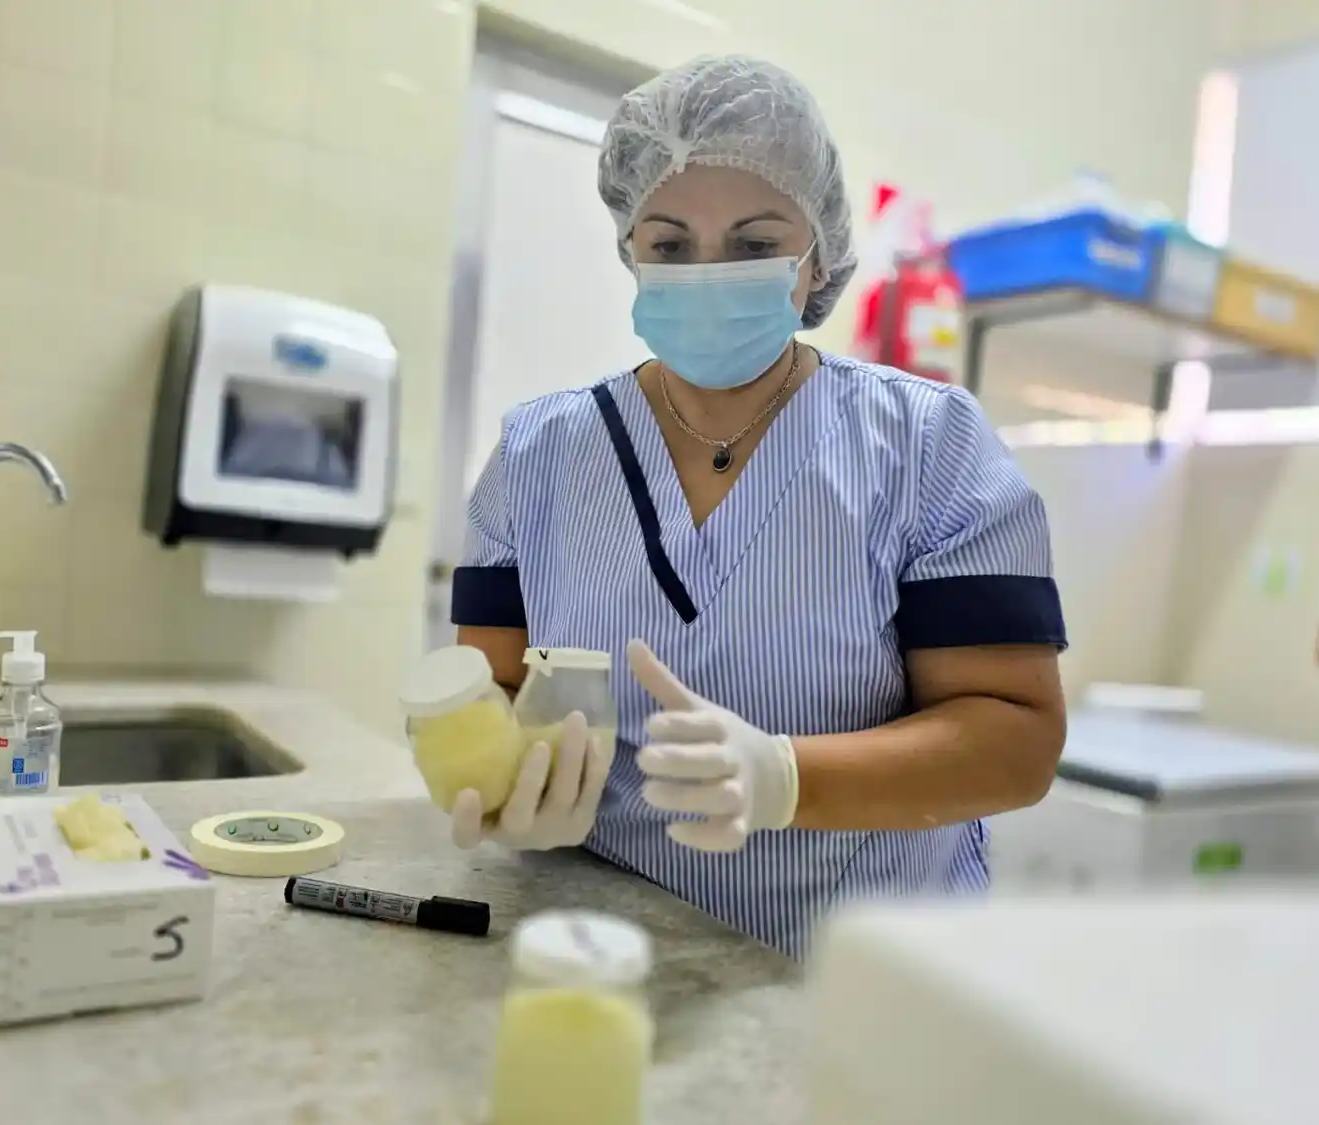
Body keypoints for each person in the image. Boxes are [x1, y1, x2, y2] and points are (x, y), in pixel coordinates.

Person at [446, 55, 1068, 958]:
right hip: (609, 950)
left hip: (866, 969)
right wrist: (504, 778)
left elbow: (1017, 737)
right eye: (668, 244)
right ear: (629, 248)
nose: (708, 273)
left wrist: (784, 778)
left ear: (816, 251)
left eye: (751, 243)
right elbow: (491, 690)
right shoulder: (536, 455)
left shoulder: (930, 445)